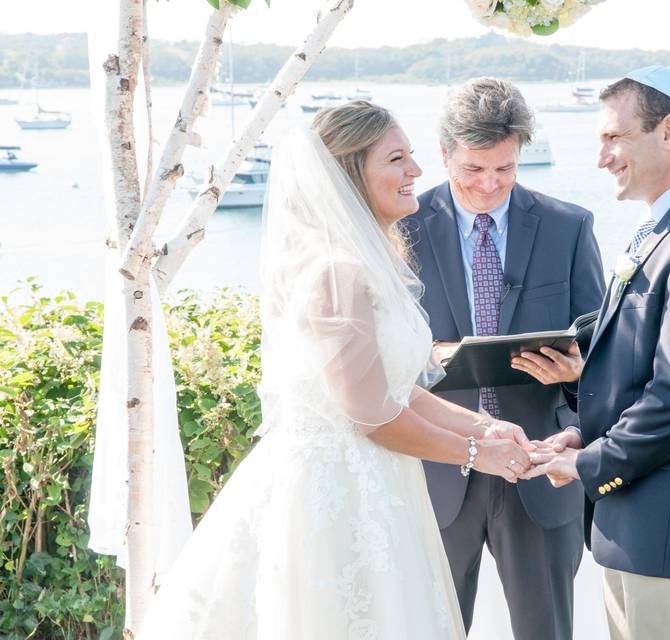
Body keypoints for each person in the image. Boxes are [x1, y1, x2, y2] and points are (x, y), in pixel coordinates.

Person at [137, 101, 535, 639]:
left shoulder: (364, 264)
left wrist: (481, 426)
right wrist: (477, 454)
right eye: (397, 158)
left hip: (379, 485)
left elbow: (398, 391)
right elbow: (373, 417)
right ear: (349, 175)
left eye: (412, 156)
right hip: (333, 497)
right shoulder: (336, 273)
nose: (416, 171)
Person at [518, 66, 670, 640]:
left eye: (614, 137)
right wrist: (584, 430)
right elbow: (643, 374)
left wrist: (588, 464)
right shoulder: (667, 228)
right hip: (638, 525)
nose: (602, 157)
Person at [404, 78, 605, 639]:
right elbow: (377, 351)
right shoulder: (401, 228)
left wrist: (577, 371)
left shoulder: (569, 226)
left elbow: (601, 348)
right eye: (473, 170)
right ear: (444, 155)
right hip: (436, 472)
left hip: (540, 467)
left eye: (505, 169)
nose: (490, 185)